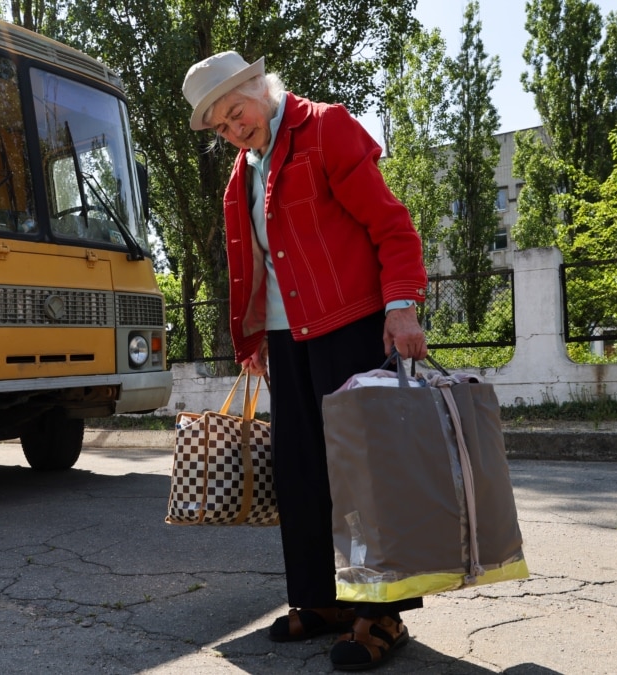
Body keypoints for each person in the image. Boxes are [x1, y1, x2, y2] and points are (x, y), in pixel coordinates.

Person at [182, 51, 430, 671]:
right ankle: (323, 600)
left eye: (234, 113)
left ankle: (383, 613)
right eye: (219, 127)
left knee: (366, 476)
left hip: (349, 326)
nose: (233, 130)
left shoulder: (326, 129)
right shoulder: (240, 176)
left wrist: (400, 307)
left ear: (258, 89)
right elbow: (253, 269)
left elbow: (391, 227)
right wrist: (252, 341)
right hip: (284, 339)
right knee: (300, 473)